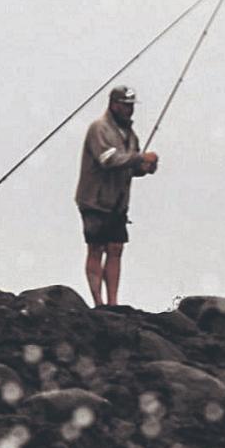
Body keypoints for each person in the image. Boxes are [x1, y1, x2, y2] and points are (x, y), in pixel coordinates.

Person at [76, 85, 158, 307]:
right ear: (113, 105)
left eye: (131, 106)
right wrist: (138, 158)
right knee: (96, 247)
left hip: (117, 203)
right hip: (94, 199)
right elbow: (108, 160)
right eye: (125, 105)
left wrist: (146, 167)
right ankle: (98, 301)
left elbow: (132, 167)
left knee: (115, 248)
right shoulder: (99, 128)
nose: (129, 110)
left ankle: (113, 302)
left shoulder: (130, 135)